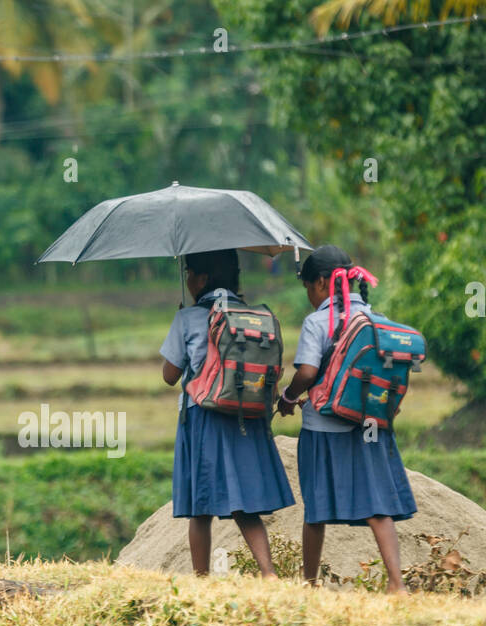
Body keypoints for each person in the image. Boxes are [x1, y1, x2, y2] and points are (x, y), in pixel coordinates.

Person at [277, 244, 417, 593]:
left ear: (322, 283)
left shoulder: (316, 322)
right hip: (370, 425)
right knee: (378, 505)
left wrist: (288, 397)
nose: (309, 295)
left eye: (309, 288)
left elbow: (307, 371)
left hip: (324, 428)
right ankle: (397, 584)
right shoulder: (374, 320)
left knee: (316, 510)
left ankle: (309, 585)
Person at [161, 248, 293, 578]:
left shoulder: (188, 317)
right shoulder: (253, 315)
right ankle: (269, 574)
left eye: (190, 272)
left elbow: (169, 375)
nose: (188, 279)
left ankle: (202, 580)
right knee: (244, 503)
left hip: (203, 416)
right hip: (247, 417)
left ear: (203, 278)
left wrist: (181, 320)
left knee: (200, 506)